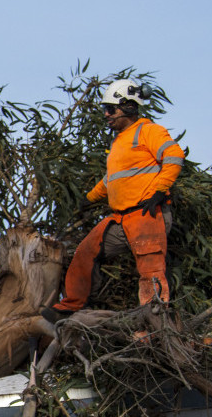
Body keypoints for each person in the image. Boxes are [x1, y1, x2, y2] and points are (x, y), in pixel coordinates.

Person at [46, 79, 185, 318]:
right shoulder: (120, 140)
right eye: (105, 110)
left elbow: (174, 156)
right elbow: (112, 179)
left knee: (150, 271)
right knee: (85, 252)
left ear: (129, 107)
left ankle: (155, 323)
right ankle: (70, 307)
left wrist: (160, 191)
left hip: (147, 214)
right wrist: (88, 199)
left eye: (111, 109)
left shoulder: (148, 131)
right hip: (121, 218)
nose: (107, 115)